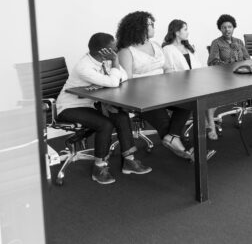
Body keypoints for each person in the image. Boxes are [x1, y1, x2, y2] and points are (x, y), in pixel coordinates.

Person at [55, 32, 151, 185]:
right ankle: (99, 167)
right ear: (103, 51)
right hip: (70, 107)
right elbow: (114, 82)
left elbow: (123, 76)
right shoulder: (84, 67)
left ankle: (129, 161)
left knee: (121, 116)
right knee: (104, 124)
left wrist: (113, 69)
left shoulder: (105, 61)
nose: (116, 51)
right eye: (113, 49)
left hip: (92, 104)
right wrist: (115, 62)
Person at [116, 11, 193, 160]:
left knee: (189, 102)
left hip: (163, 91)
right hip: (141, 96)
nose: (153, 27)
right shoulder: (126, 51)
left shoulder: (156, 45)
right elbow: (127, 82)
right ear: (139, 28)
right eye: (150, 24)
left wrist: (172, 83)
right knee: (163, 119)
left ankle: (173, 138)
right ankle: (188, 150)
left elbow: (167, 68)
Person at [162, 19, 218, 141]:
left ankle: (209, 122)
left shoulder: (188, 47)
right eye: (185, 29)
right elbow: (168, 72)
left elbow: (198, 65)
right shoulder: (167, 49)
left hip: (195, 82)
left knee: (213, 92)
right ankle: (207, 124)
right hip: (180, 87)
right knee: (201, 97)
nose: (188, 32)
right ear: (177, 32)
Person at [207, 14, 252, 128]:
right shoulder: (216, 43)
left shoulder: (239, 42)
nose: (227, 30)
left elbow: (247, 58)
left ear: (233, 27)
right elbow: (212, 62)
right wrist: (230, 61)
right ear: (220, 29)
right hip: (226, 77)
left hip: (242, 73)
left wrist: (246, 65)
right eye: (224, 27)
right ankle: (209, 119)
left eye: (229, 27)